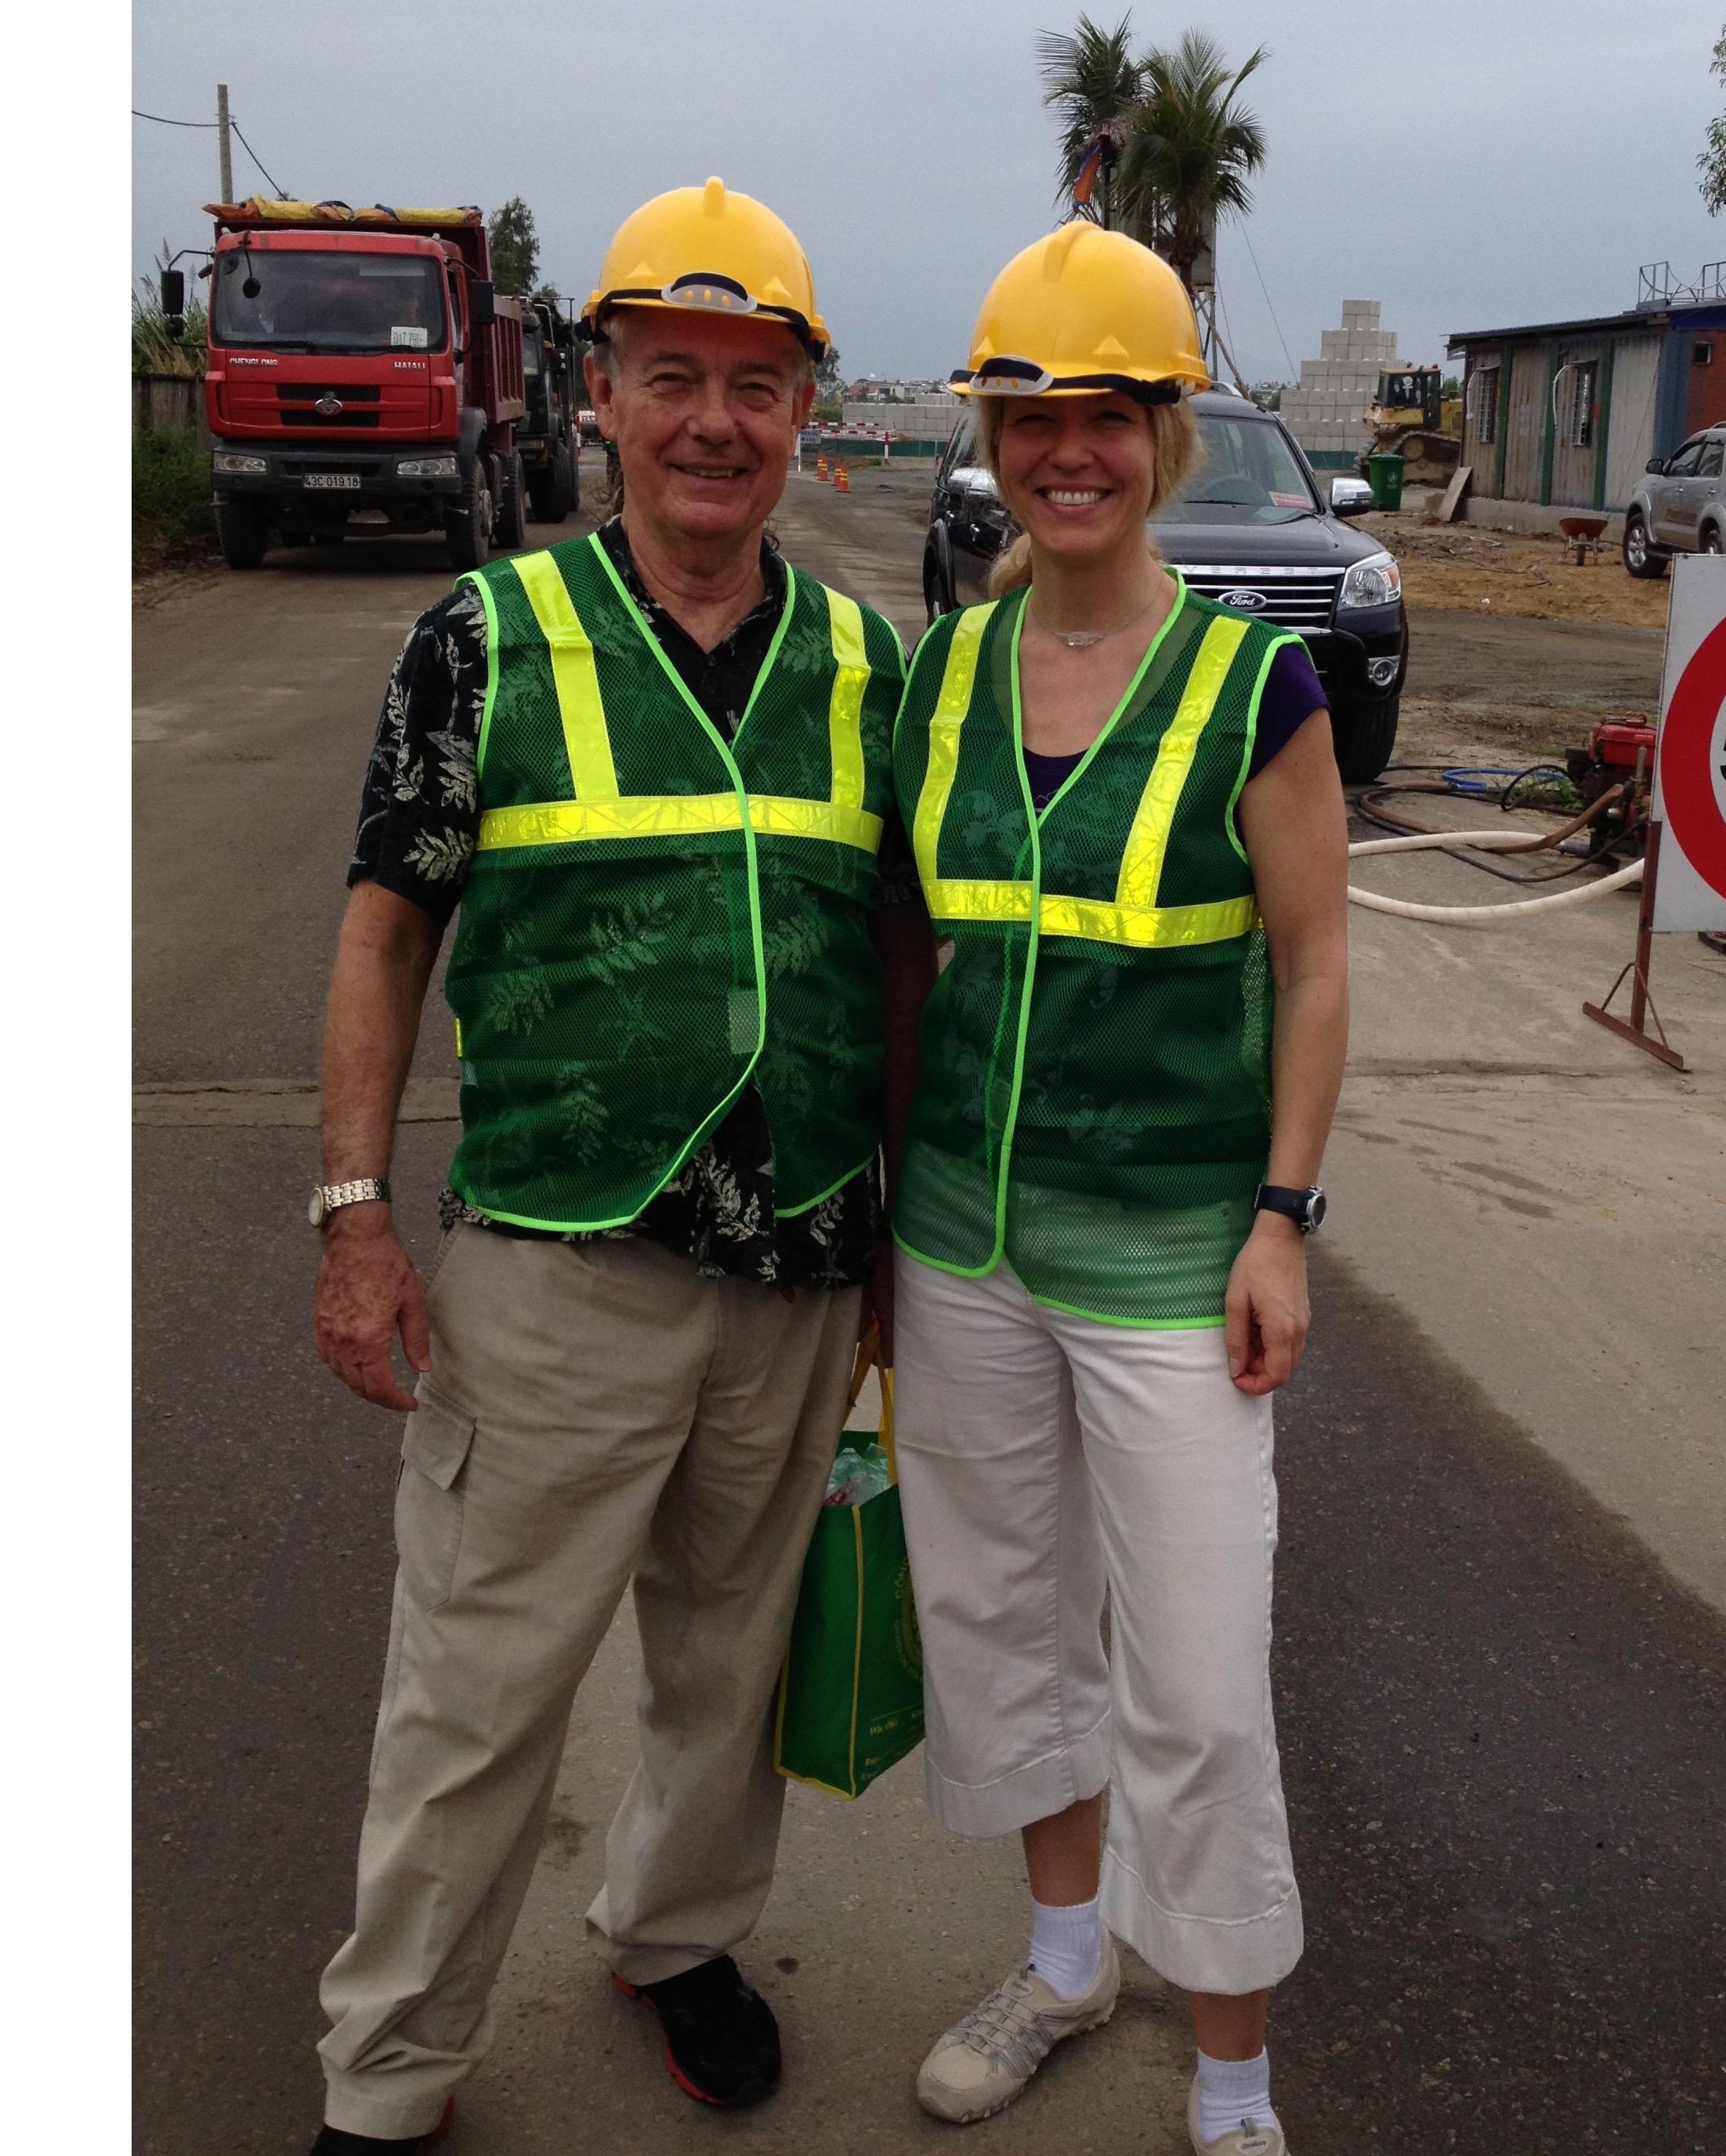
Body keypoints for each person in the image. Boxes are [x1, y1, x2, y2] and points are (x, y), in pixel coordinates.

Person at [303, 178, 936, 2150]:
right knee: (479, 1695)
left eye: (757, 383)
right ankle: (390, 2066)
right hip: (556, 1265)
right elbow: (385, 930)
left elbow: (903, 954)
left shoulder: (869, 663)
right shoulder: (483, 639)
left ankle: (674, 1935)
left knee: (725, 1667)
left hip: (800, 1263)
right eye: (674, 375)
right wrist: (350, 1216)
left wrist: (899, 1236)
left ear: (806, 408)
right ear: (600, 390)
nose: (714, 422)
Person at [888, 222, 1350, 2156]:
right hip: (961, 1249)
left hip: (1171, 1256)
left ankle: (1230, 2071)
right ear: (992, 433)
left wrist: (1280, 1214)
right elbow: (912, 952)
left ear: (1163, 432)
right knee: (1002, 1624)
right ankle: (1066, 1958)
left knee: (1195, 1667)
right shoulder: (949, 669)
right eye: (1028, 418)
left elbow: (1318, 963)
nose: (1061, 452)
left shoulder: (1260, 685)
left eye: (1102, 418)